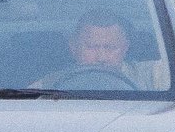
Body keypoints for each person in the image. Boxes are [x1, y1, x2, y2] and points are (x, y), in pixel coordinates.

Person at [37, 11, 166, 92]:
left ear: (125, 48)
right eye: (92, 47)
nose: (101, 57)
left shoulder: (153, 76)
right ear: (73, 47)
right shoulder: (48, 85)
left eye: (110, 48)